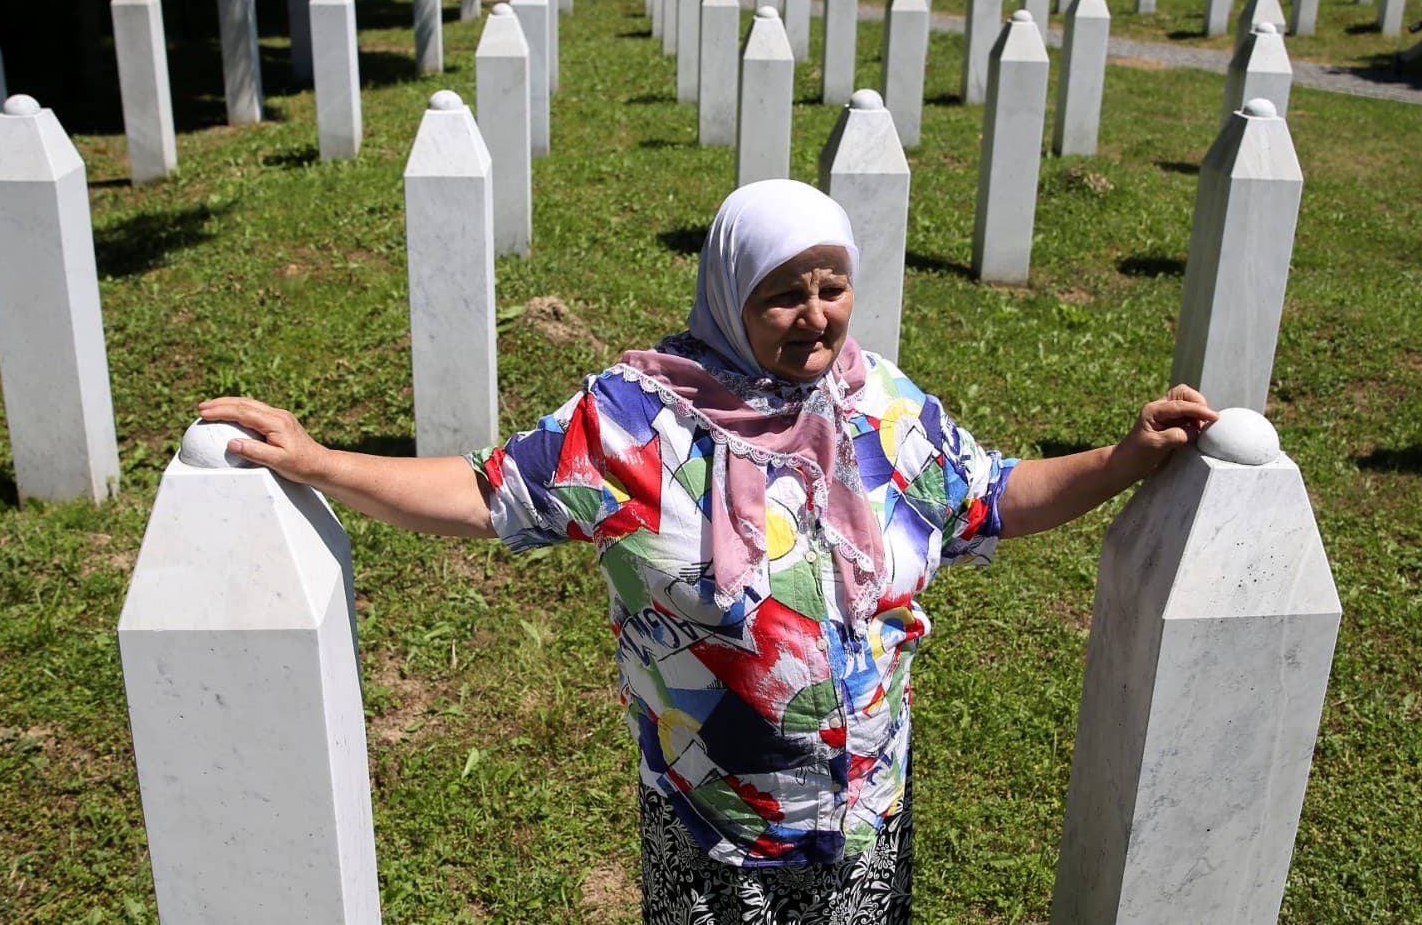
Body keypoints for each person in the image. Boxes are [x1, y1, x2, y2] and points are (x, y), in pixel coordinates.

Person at [200, 179, 1218, 924]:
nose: (815, 315)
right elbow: (484, 493)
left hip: (863, 812)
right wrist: (327, 461)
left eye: (832, 285)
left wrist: (1123, 456)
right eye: (784, 292)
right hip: (713, 826)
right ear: (731, 293)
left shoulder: (883, 409)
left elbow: (995, 497)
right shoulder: (635, 424)